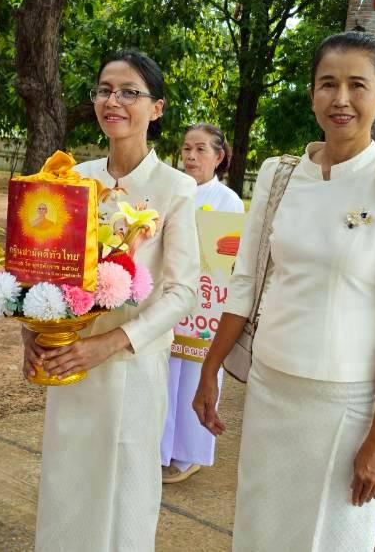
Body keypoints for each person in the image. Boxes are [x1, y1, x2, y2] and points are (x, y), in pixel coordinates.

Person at [193, 31, 375, 551]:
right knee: (262, 529)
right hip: (271, 386)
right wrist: (209, 370)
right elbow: (246, 282)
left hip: (344, 401)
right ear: (312, 94)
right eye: (328, 84)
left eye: (356, 85)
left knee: (331, 537)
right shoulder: (280, 175)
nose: (340, 99)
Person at [26, 50, 199, 551]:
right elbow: (43, 270)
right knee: (67, 483)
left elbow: (182, 290)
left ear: (157, 108)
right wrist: (33, 332)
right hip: (69, 362)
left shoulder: (176, 188)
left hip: (131, 367)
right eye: (104, 90)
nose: (113, 101)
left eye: (129, 92)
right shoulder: (73, 179)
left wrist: (113, 343)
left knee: (125, 488)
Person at [160, 123, 244, 485]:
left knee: (196, 375)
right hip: (169, 297)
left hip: (206, 304)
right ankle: (160, 449)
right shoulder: (172, 191)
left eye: (200, 150)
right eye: (187, 149)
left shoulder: (228, 201)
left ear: (219, 156)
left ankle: (189, 454)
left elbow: (230, 255)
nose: (191, 156)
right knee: (165, 376)